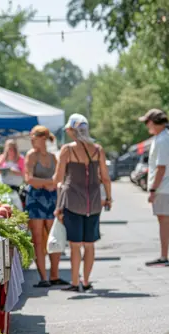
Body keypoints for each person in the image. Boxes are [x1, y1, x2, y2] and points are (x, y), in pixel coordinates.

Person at [53, 114, 112, 292]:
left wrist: (58, 206)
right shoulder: (98, 150)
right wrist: (108, 198)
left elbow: (58, 179)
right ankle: (86, 281)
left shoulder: (67, 150)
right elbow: (106, 178)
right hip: (93, 202)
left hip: (72, 201)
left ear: (73, 130)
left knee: (75, 245)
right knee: (90, 244)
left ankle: (74, 282)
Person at [139, 109, 169, 267]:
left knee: (164, 219)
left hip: (164, 187)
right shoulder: (165, 137)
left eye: (147, 122)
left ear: (153, 122)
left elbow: (161, 167)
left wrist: (152, 190)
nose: (147, 126)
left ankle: (164, 256)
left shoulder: (162, 140)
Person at [23, 126, 62, 287]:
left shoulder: (54, 157)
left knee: (54, 237)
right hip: (35, 199)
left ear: (43, 139)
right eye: (31, 138)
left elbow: (59, 178)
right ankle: (43, 278)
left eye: (34, 138)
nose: (32, 141)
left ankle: (54, 275)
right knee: (38, 239)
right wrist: (48, 183)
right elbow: (29, 179)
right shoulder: (31, 155)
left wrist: (47, 184)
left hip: (52, 199)